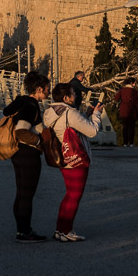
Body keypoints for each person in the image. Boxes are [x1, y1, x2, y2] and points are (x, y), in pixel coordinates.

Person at [43, 82, 103, 242]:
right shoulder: (69, 113)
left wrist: (87, 114)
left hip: (64, 157)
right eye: (72, 94)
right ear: (65, 98)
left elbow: (72, 125)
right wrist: (97, 114)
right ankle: (66, 230)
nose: (75, 96)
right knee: (74, 195)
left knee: (69, 195)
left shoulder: (51, 111)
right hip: (76, 160)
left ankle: (60, 229)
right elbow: (92, 131)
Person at [3, 71, 50, 243]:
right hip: (28, 154)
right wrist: (38, 141)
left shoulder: (20, 102)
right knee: (27, 195)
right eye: (47, 89)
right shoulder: (31, 106)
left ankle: (21, 230)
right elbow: (21, 131)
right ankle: (25, 232)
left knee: (21, 193)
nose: (48, 92)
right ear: (38, 89)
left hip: (18, 154)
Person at [113, 76, 138, 146]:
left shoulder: (122, 90)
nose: (135, 84)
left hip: (123, 111)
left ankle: (125, 143)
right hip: (132, 111)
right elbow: (136, 103)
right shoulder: (134, 92)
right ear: (131, 83)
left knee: (125, 127)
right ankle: (131, 142)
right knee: (131, 127)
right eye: (134, 83)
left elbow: (116, 98)